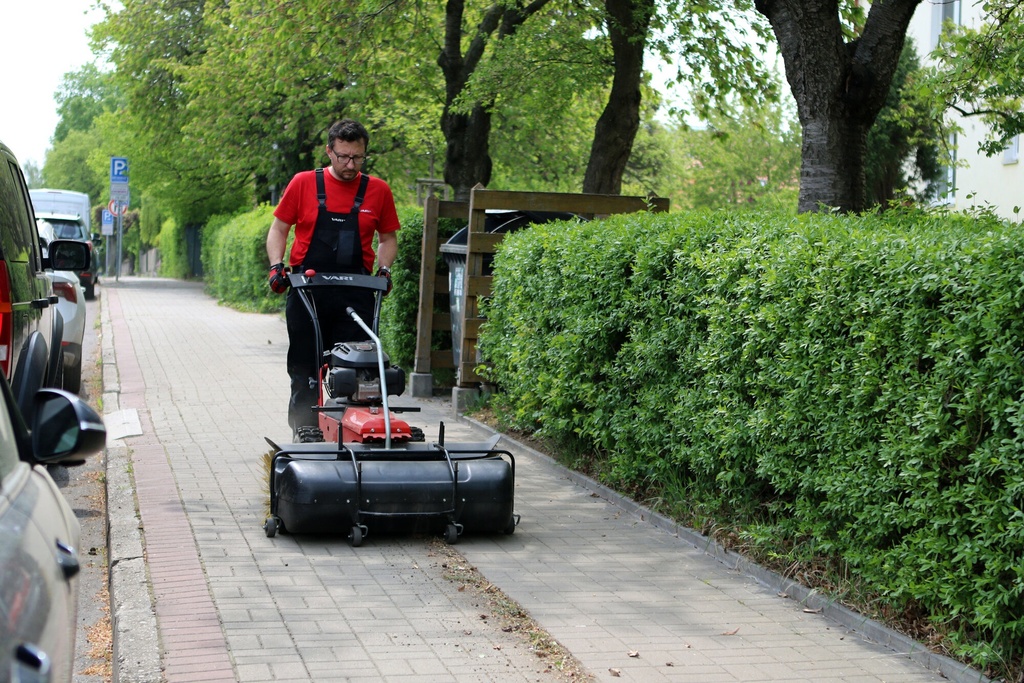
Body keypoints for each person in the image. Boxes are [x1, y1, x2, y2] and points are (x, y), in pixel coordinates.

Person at [266, 118, 400, 436]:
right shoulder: (303, 183)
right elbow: (279, 229)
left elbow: (388, 238)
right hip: (307, 293)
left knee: (359, 366)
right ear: (329, 151)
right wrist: (276, 266)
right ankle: (305, 429)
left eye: (357, 157)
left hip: (356, 293)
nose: (350, 164)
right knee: (304, 367)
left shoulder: (377, 191)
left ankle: (353, 428)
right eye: (343, 156)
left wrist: (384, 270)